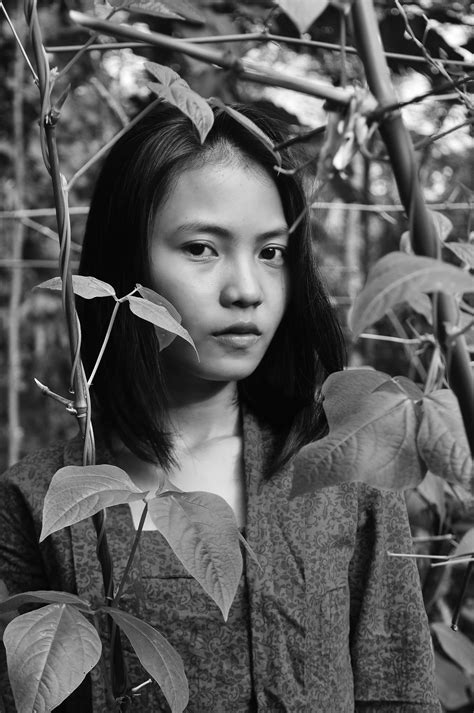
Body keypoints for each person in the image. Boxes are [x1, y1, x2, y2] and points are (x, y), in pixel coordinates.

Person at [0, 102, 440, 712]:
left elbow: (400, 694)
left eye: (271, 253)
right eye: (203, 248)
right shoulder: (35, 501)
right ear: (124, 263)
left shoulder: (340, 470)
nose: (246, 291)